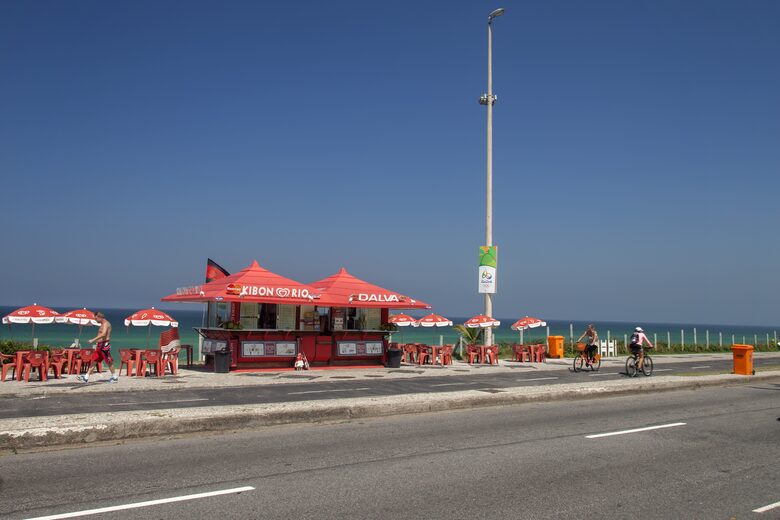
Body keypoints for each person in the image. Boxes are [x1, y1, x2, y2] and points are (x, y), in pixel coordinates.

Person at [76, 311, 118, 383]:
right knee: (94, 360)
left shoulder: (106, 324)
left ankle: (114, 377)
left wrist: (93, 340)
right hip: (99, 345)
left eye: (96, 319)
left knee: (108, 361)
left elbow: (104, 334)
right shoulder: (102, 324)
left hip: (104, 345)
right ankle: (86, 377)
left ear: (99, 317)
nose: (95, 320)